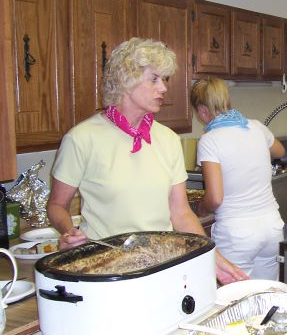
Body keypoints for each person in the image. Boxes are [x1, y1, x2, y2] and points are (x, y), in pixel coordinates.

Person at [47, 37, 247, 285]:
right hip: (105, 272)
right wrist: (69, 232)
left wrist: (212, 256)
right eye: (154, 79)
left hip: (161, 267)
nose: (163, 88)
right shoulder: (82, 139)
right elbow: (57, 205)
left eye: (164, 79)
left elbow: (181, 213)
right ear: (126, 80)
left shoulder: (168, 139)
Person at [190, 77, 286, 280]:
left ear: (203, 110)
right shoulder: (256, 127)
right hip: (272, 226)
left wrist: (201, 208)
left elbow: (215, 198)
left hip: (237, 233)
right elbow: (280, 150)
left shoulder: (209, 140)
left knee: (236, 295)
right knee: (267, 292)